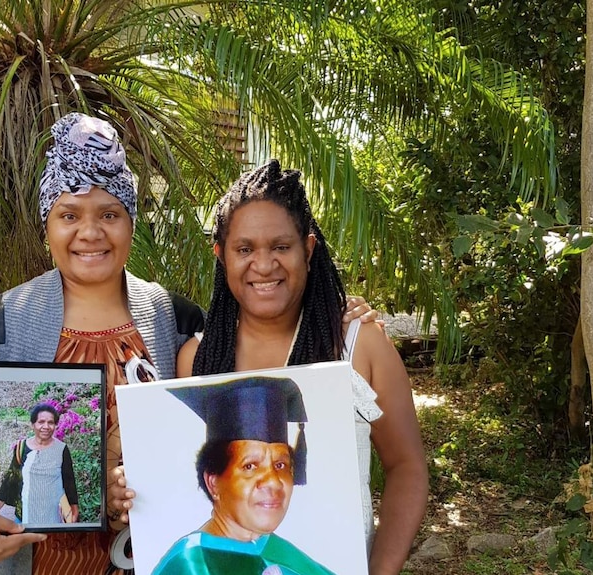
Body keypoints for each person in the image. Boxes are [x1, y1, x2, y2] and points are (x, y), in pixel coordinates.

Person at [0, 113, 377, 575]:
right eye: (69, 215)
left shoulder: (176, 322)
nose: (90, 232)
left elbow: (263, 341)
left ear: (131, 221)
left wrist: (332, 310)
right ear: (47, 223)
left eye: (110, 213)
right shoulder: (3, 326)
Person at [176, 160, 428, 575]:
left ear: (308, 250)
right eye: (244, 249)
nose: (264, 264)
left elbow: (407, 467)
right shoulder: (197, 358)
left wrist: (381, 570)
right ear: (220, 256)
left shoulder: (358, 346)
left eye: (281, 246)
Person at [152, 376, 337, 575]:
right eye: (250, 466)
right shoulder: (190, 565)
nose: (273, 481)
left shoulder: (283, 555)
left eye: (281, 464)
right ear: (213, 483)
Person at [0, 404, 79, 525]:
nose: (46, 427)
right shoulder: (21, 447)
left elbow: (69, 481)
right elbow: (11, 478)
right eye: (41, 422)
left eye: (51, 422)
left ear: (55, 425)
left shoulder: (62, 449)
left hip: (53, 515)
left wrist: (74, 510)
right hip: (24, 514)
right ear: (33, 425)